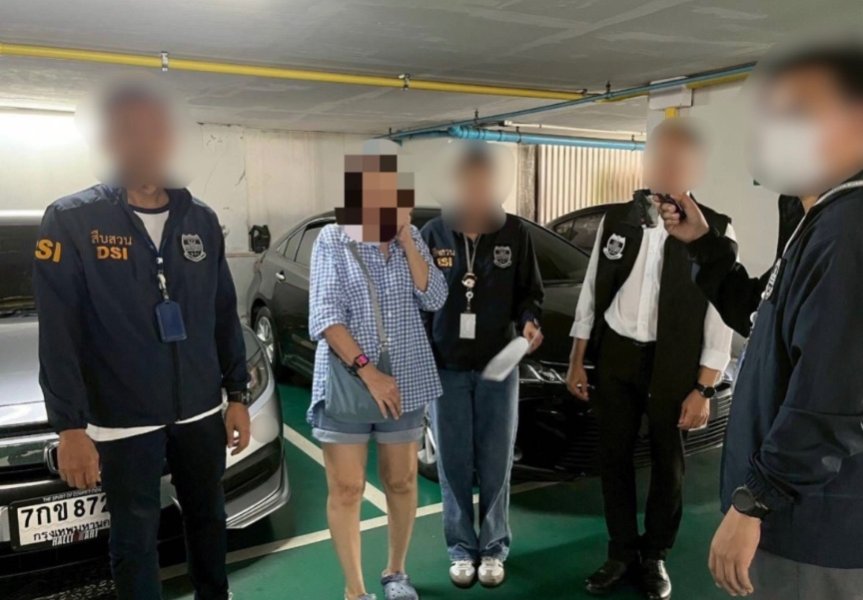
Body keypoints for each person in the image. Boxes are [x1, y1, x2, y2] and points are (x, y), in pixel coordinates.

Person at [33, 81, 250, 599]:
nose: (146, 143)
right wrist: (70, 426)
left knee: (208, 519)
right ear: (110, 140)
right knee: (135, 538)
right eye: (131, 131)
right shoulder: (71, 220)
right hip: (121, 417)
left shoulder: (201, 219)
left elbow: (223, 313)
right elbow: (58, 331)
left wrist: (237, 394)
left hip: (200, 409)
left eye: (157, 131)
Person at [661, 44, 863, 598]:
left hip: (816, 527)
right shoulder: (817, 221)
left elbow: (835, 400)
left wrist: (757, 499)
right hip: (799, 514)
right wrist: (704, 245)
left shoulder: (849, 232)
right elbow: (760, 313)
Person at [566, 119, 734, 600]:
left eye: (678, 160)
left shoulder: (714, 227)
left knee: (668, 465)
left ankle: (655, 554)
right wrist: (578, 358)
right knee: (614, 458)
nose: (667, 167)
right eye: (659, 157)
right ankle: (621, 552)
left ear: (695, 168)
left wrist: (704, 388)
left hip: (674, 362)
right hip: (618, 355)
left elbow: (720, 316)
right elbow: (591, 292)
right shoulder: (618, 219)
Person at [308, 144, 447, 600]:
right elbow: (326, 316)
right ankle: (355, 590)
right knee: (347, 487)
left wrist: (406, 239)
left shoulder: (413, 238)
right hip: (349, 380)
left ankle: (397, 572)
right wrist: (369, 373)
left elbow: (435, 297)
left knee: (401, 480)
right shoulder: (333, 239)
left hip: (404, 376)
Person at [420, 145, 544, 589]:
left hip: (498, 368)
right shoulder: (434, 234)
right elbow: (420, 302)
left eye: (483, 182)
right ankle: (460, 547)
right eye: (467, 182)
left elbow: (530, 293)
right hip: (447, 367)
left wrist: (530, 322)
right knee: (453, 461)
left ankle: (493, 547)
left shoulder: (514, 233)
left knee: (495, 459)